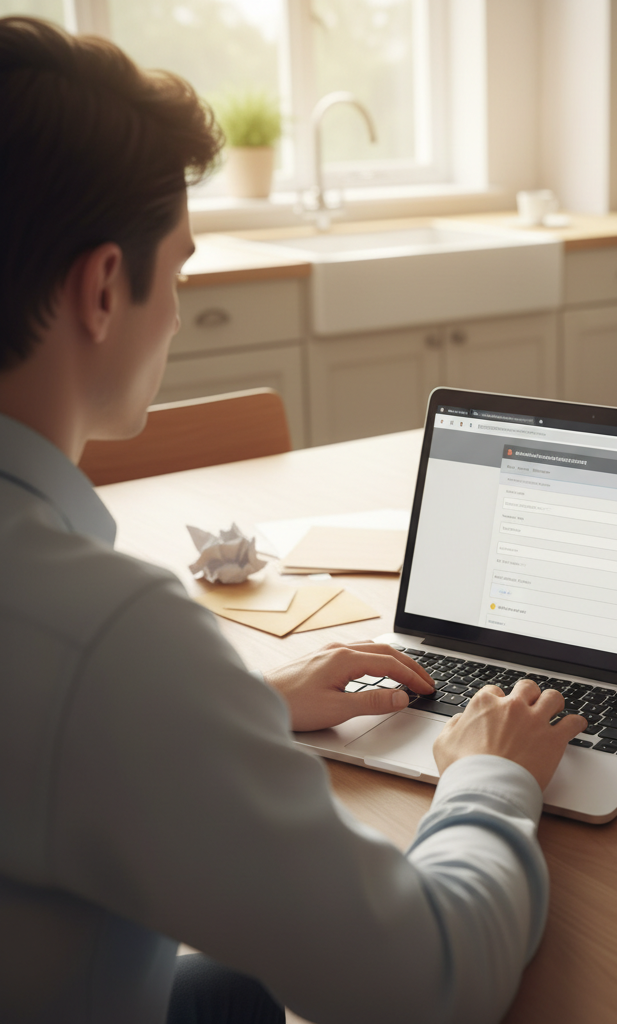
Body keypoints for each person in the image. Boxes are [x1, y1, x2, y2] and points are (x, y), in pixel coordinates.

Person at [0, 17, 585, 1024]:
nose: (177, 310)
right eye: (177, 271)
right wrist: (488, 777)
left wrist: (243, 706)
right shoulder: (104, 634)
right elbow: (428, 984)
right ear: (103, 286)